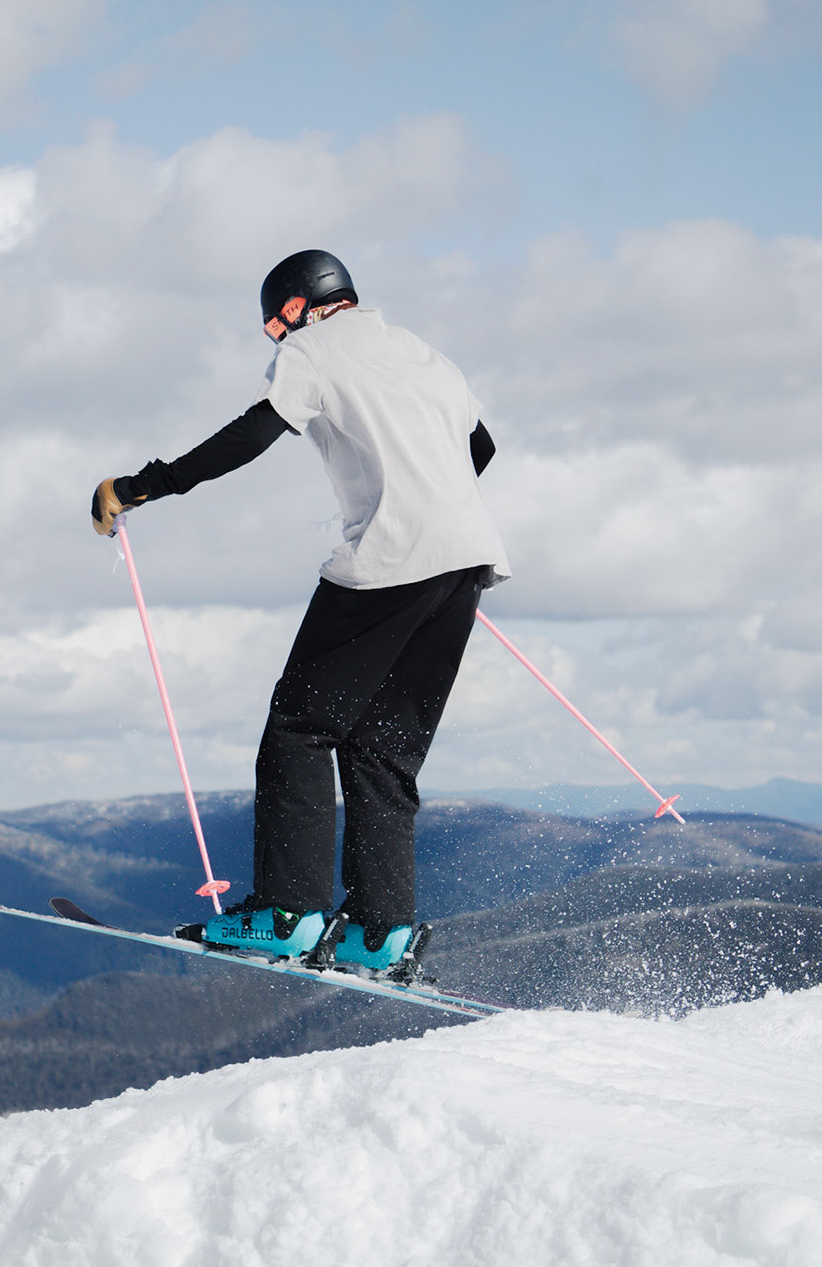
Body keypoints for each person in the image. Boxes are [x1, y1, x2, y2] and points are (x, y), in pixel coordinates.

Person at [90, 249, 510, 971]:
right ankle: (380, 933)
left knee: (301, 726)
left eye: (272, 326)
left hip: (392, 560)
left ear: (295, 307)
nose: (275, 338)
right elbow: (482, 446)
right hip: (469, 560)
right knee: (383, 747)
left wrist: (142, 486)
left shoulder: (311, 350)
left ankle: (287, 913)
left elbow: (250, 435)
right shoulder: (424, 354)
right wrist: (427, 501)